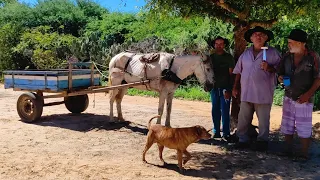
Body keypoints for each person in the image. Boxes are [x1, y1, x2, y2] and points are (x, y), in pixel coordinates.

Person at [232, 26, 281, 151]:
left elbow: (281, 70)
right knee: (243, 117)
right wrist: (235, 87)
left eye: (261, 35)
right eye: (255, 35)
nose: (258, 37)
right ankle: (242, 139)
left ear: (266, 38)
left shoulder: (272, 52)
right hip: (246, 93)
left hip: (263, 93)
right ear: (251, 38)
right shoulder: (246, 53)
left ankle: (262, 141)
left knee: (263, 119)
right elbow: (238, 71)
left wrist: (269, 68)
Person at [277, 29, 320, 160]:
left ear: (301, 43)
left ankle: (304, 153)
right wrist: (280, 78)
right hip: (289, 95)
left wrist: (308, 94)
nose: (288, 45)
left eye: (291, 42)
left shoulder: (313, 57)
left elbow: (318, 79)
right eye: (288, 42)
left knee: (304, 125)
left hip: (305, 98)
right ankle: (287, 149)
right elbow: (279, 73)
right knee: (287, 124)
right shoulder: (286, 56)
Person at [209, 36, 234, 140]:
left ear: (224, 45)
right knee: (215, 110)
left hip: (225, 88)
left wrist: (230, 89)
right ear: (214, 45)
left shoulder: (228, 57)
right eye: (217, 44)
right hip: (214, 88)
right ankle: (216, 131)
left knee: (225, 110)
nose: (219, 46)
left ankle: (226, 133)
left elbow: (232, 74)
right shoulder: (210, 57)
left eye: (221, 44)